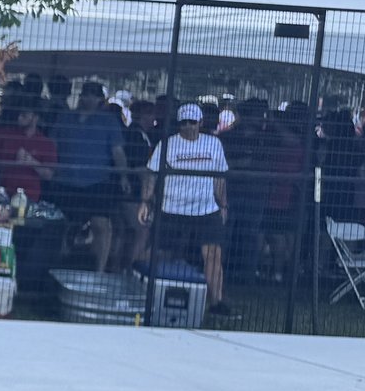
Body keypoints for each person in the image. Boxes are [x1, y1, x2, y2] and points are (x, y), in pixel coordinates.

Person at [141, 102, 230, 316]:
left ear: (201, 122)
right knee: (157, 252)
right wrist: (145, 201)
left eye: (192, 122)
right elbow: (151, 173)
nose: (188, 127)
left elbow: (219, 177)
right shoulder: (167, 144)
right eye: (184, 123)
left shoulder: (214, 144)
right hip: (171, 208)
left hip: (206, 209)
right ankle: (141, 285)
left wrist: (223, 203)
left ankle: (216, 302)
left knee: (213, 255)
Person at [49, 82, 129, 271]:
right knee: (61, 225)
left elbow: (118, 152)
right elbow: (52, 145)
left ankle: (99, 271)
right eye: (86, 94)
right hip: (65, 180)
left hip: (97, 182)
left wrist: (124, 177)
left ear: (100, 99)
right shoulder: (65, 117)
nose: (89, 98)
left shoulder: (109, 121)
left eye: (94, 95)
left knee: (102, 226)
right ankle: (57, 267)